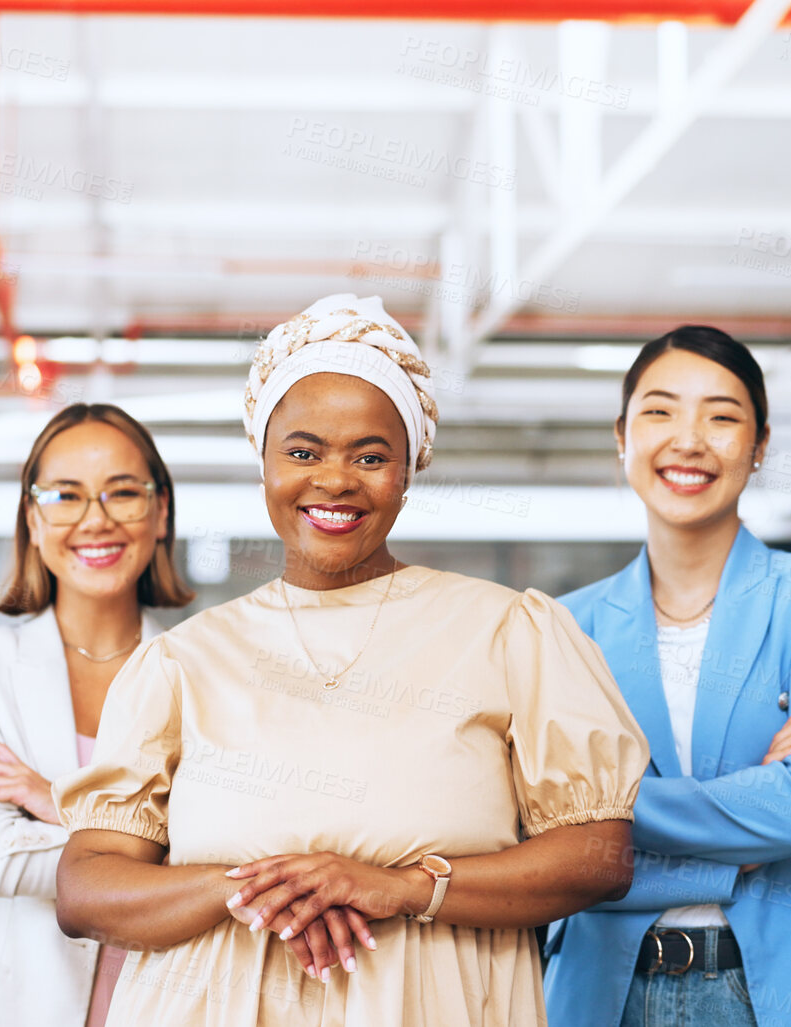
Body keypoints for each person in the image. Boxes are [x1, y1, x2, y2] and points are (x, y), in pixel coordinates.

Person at [48, 293, 649, 1026]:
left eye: (370, 456)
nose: (334, 480)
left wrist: (399, 886)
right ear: (262, 460)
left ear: (408, 468)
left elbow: (599, 856)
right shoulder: (182, 662)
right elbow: (85, 890)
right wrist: (255, 885)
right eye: (302, 451)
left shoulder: (506, 631)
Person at [544, 326, 791, 1027]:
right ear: (621, 435)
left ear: (759, 444)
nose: (688, 439)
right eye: (659, 411)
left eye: (721, 415)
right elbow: (546, 831)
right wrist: (734, 843)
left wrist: (619, 809)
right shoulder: (565, 626)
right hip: (608, 991)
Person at [0, 403, 195, 1026]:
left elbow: (247, 844)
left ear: (161, 513)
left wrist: (56, 800)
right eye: (65, 496)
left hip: (168, 1001)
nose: (95, 520)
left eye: (123, 493)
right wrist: (172, 845)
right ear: (33, 519)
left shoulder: (206, 672)